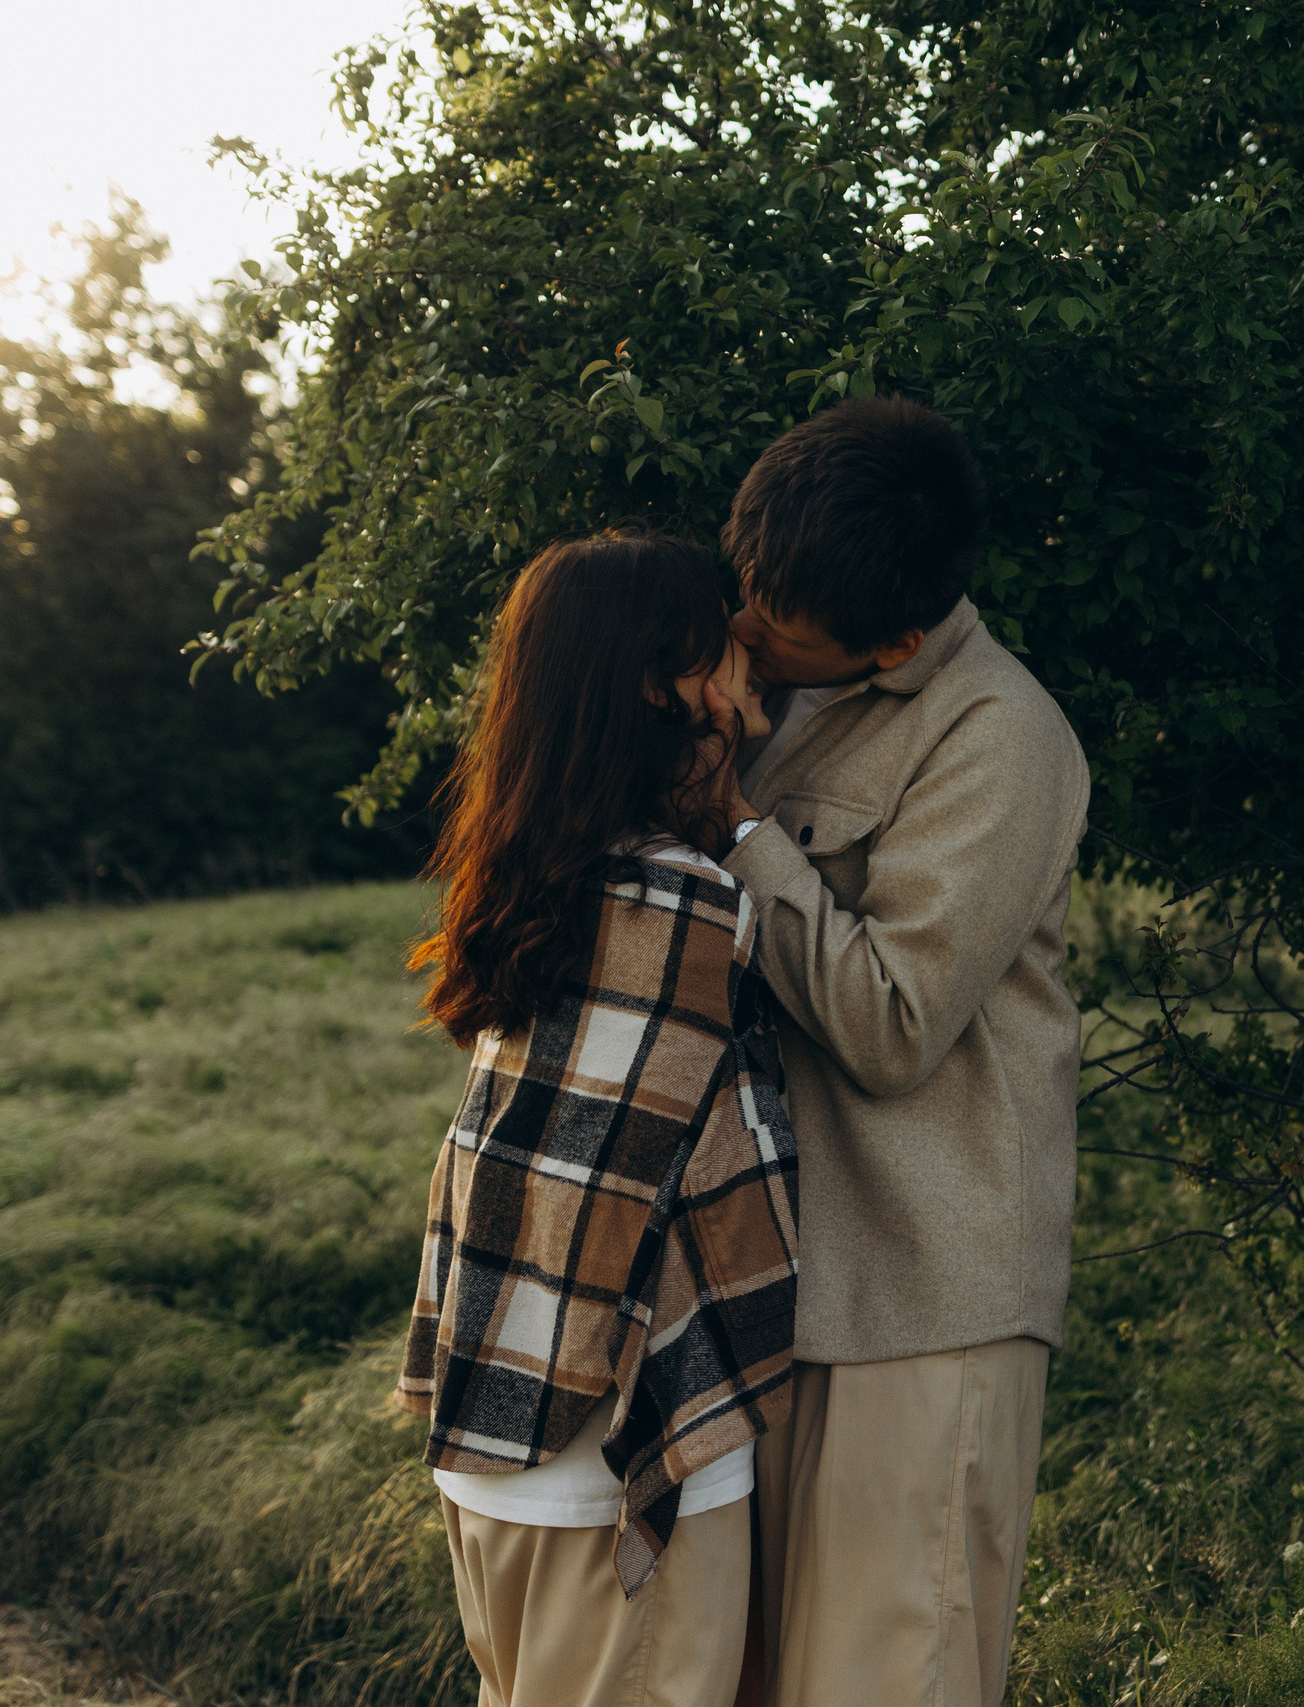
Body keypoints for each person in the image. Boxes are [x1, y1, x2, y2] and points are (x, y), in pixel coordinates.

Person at [702, 397, 1092, 1707]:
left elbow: (892, 1023)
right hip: (766, 1286)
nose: (746, 628)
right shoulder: (771, 669)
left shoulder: (1002, 738)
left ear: (898, 640)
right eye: (746, 590)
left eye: (780, 625)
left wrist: (739, 823)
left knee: (883, 1679)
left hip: (924, 1303)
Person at [393, 531, 798, 1707]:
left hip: (495, 1443)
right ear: (656, 680)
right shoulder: (683, 900)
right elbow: (630, 1198)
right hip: (612, 1469)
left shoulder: (538, 878)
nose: (742, 654)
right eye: (714, 639)